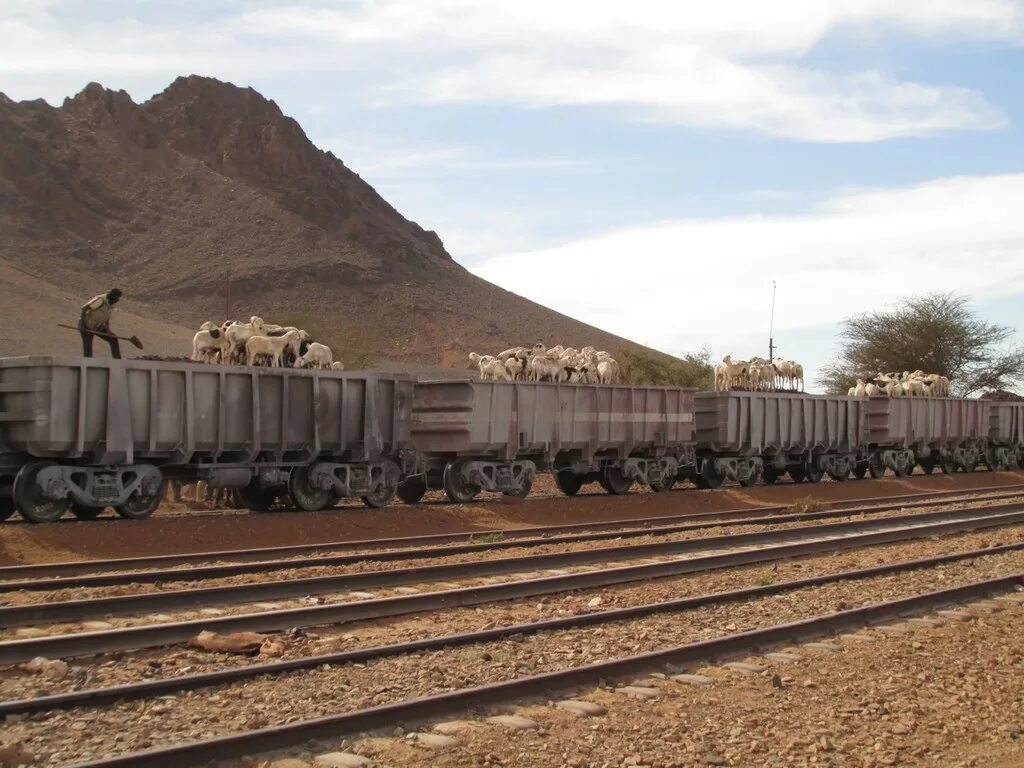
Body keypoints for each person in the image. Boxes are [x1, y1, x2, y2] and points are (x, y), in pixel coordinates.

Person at [79, 288, 123, 358]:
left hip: (98, 327)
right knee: (88, 351)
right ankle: (88, 365)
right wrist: (82, 325)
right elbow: (84, 308)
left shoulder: (110, 304)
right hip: (87, 326)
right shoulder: (100, 300)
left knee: (113, 339)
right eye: (117, 297)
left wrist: (108, 330)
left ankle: (117, 361)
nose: (118, 300)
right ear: (112, 296)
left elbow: (106, 318)